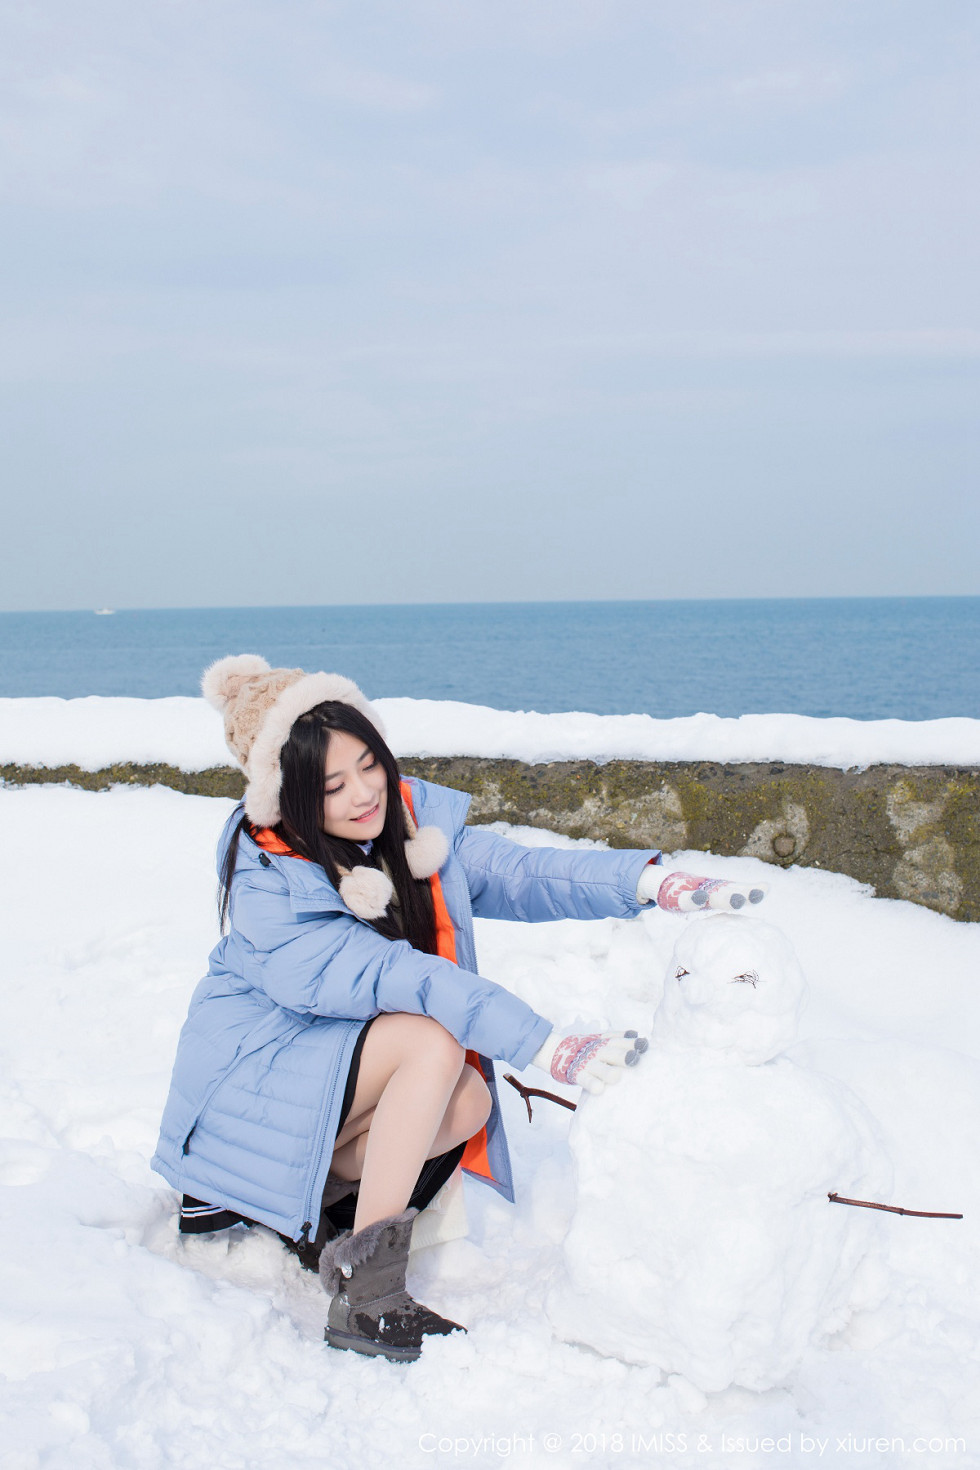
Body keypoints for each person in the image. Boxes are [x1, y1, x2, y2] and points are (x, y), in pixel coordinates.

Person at [152, 654, 766, 1364]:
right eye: (332, 784)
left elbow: (525, 872)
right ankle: (367, 1294)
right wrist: (544, 1044)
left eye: (369, 764)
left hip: (317, 1084)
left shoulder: (405, 836)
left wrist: (648, 882)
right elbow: (403, 977)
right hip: (247, 1091)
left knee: (468, 1101)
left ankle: (323, 1224)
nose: (363, 794)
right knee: (430, 1044)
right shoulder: (272, 881)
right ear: (287, 797)